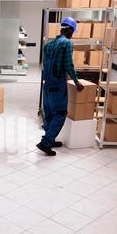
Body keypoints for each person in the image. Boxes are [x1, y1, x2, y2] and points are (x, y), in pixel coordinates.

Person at [37, 17, 84, 157]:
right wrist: (76, 81)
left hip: (47, 84)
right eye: (72, 31)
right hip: (58, 84)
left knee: (50, 113)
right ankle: (46, 143)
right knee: (61, 113)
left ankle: (50, 139)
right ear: (69, 29)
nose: (72, 34)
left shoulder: (49, 44)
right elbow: (68, 64)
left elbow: (44, 65)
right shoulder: (67, 43)